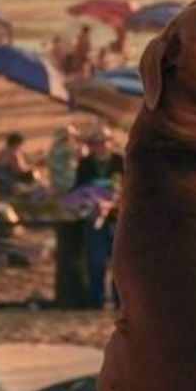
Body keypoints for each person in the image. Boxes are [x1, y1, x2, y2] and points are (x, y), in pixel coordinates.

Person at [75, 128, 124, 309]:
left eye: (104, 141)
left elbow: (129, 186)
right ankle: (96, 300)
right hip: (94, 216)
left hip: (118, 217)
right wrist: (92, 198)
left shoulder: (120, 161)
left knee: (118, 262)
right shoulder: (86, 164)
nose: (101, 146)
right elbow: (78, 189)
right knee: (96, 261)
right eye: (96, 143)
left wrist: (116, 198)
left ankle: (119, 301)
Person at [0, 132, 36, 196]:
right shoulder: (14, 153)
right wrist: (30, 168)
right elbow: (19, 169)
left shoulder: (1, 152)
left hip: (1, 187)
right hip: (13, 184)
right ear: (16, 143)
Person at [46, 124, 82, 195]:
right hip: (66, 183)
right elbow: (83, 153)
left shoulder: (53, 149)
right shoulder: (66, 147)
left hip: (56, 182)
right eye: (73, 136)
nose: (74, 138)